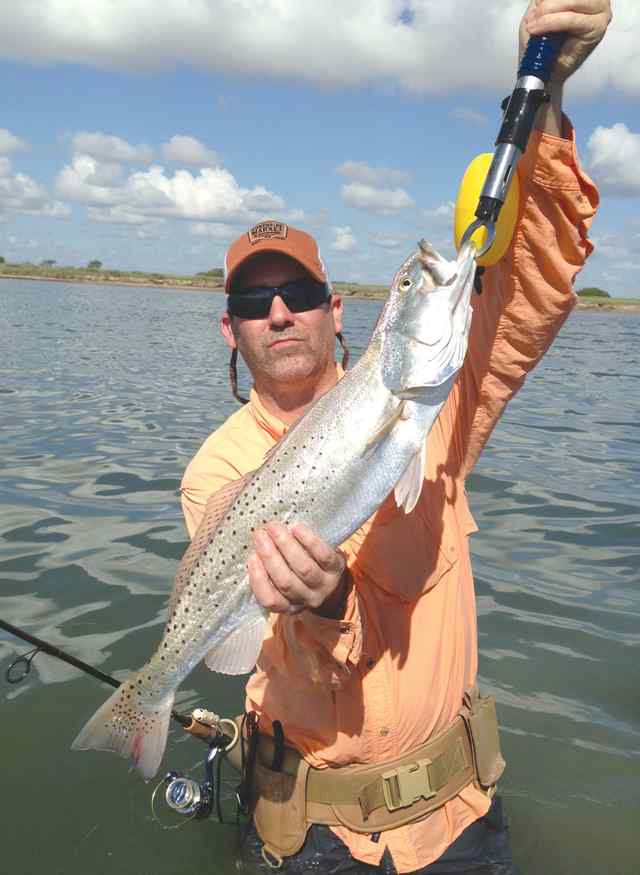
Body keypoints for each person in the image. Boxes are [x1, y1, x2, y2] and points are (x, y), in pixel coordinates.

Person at [180, 3, 611, 871]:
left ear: (337, 309)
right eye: (252, 302)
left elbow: (530, 279)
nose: (278, 313)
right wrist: (328, 600)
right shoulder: (218, 469)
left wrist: (552, 85)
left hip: (461, 822)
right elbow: (289, 657)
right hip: (318, 838)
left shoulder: (437, 398)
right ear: (230, 329)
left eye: (298, 291)